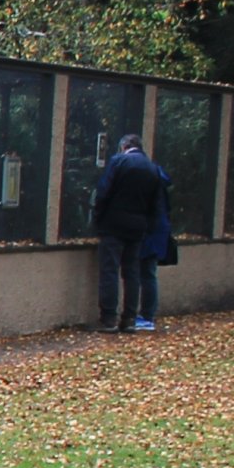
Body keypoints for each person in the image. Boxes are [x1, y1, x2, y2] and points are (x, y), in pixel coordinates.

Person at [92, 132, 171, 333]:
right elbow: (156, 204)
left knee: (109, 270)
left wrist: (98, 218)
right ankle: (129, 319)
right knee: (132, 273)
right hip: (137, 228)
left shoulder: (119, 162)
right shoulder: (153, 169)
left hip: (113, 224)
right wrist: (146, 227)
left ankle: (108, 318)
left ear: (124, 146)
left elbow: (104, 191)